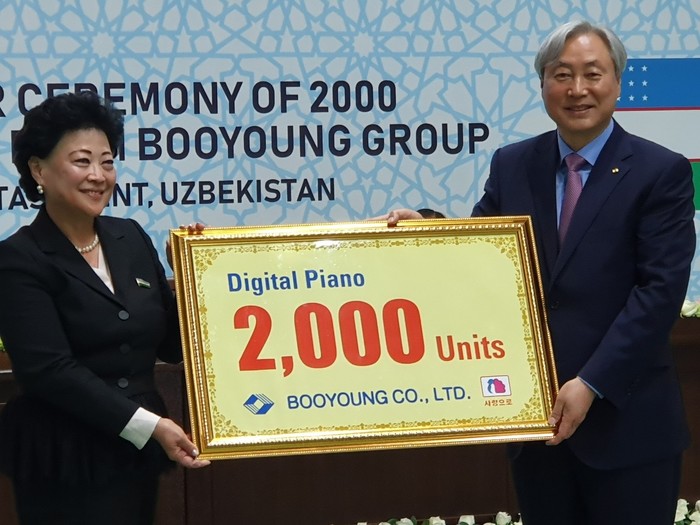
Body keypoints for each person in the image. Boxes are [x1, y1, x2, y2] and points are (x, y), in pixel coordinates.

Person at [388, 20, 695, 524]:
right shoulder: (513, 164)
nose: (577, 89)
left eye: (592, 74)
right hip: (537, 424)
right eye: (562, 75)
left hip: (627, 426)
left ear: (617, 83)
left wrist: (591, 382)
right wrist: (428, 231)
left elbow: (658, 293)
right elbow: (481, 251)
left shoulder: (660, 171)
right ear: (543, 84)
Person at [0, 91, 210, 525]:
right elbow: (48, 370)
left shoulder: (129, 237)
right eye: (82, 161)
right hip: (63, 456)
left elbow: (172, 346)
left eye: (108, 162)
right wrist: (149, 425)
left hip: (134, 453)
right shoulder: (18, 258)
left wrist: (194, 274)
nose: (98, 176)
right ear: (38, 170)